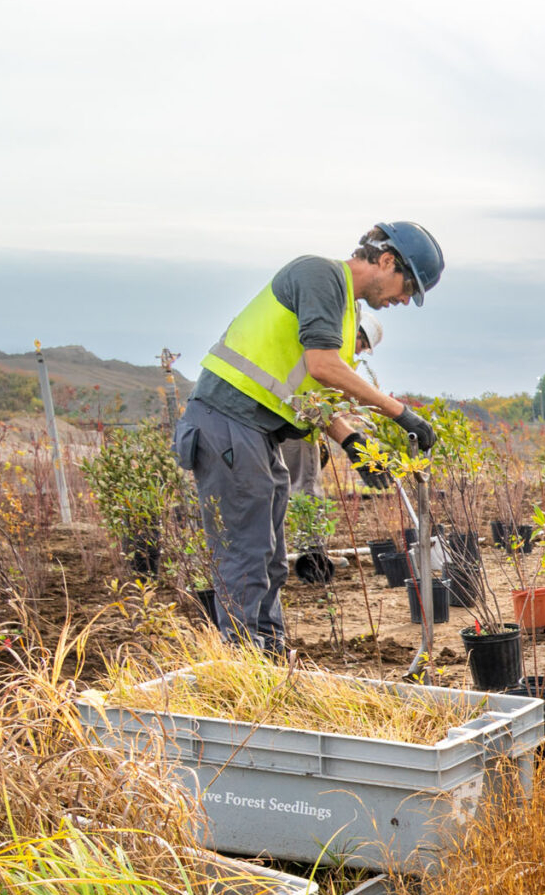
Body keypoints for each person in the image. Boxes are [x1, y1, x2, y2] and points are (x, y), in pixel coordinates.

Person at [179, 222, 444, 647]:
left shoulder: (344, 311)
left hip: (257, 432)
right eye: (408, 285)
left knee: (268, 559)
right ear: (387, 261)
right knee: (246, 557)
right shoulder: (320, 274)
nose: (404, 299)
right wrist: (399, 413)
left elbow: (310, 392)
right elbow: (321, 366)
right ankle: (248, 667)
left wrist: (352, 442)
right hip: (226, 421)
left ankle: (269, 655)